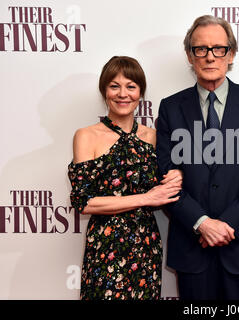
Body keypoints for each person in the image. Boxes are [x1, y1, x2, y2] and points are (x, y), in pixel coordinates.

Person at [156, 15, 239, 300]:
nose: (210, 57)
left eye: (218, 49)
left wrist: (227, 224)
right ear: (190, 55)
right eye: (201, 49)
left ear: (231, 53)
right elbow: (165, 175)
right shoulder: (171, 108)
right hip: (191, 245)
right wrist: (202, 222)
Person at [68, 56, 182, 300]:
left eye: (131, 86)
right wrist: (146, 198)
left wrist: (177, 175)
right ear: (104, 91)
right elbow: (84, 202)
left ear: (140, 93)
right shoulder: (86, 136)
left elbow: (169, 185)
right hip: (104, 246)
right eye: (114, 86)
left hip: (146, 245)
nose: (123, 94)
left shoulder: (154, 136)